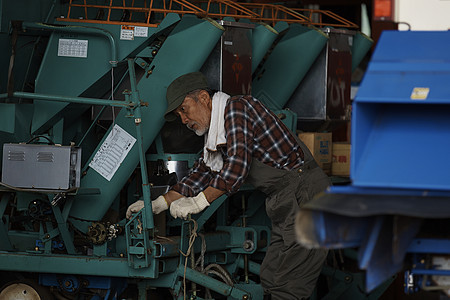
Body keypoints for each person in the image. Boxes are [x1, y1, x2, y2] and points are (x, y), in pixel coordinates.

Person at [127, 71, 330, 299]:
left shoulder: (237, 109)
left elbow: (237, 166)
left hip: (304, 195)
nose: (184, 120)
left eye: (184, 110)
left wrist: (199, 201)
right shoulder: (217, 132)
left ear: (204, 98)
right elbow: (203, 172)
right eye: (179, 114)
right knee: (272, 277)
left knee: (289, 286)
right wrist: (159, 203)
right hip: (284, 201)